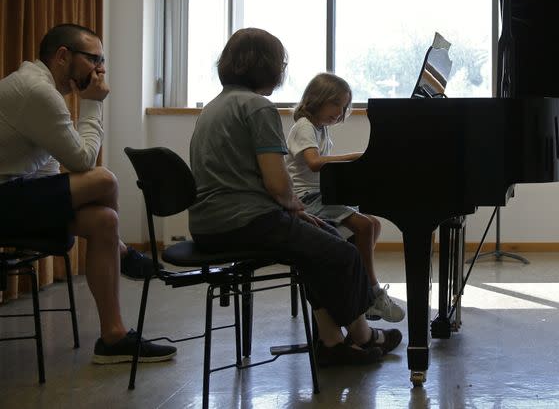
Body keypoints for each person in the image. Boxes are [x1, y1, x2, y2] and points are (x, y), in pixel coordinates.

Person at [188, 27, 401, 367]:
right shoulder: (258, 107)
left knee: (319, 246)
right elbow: (277, 182)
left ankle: (332, 343)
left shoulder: (214, 106)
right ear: (267, 66)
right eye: (280, 62)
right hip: (245, 221)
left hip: (208, 223)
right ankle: (362, 335)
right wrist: (295, 209)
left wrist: (293, 211)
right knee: (342, 252)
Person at [0, 23, 176, 364]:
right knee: (105, 180)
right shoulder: (36, 91)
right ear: (63, 56)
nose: (101, 69)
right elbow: (82, 160)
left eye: (103, 60)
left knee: (104, 221)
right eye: (94, 59)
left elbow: (49, 166)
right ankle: (123, 253)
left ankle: (113, 337)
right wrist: (94, 105)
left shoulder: (43, 90)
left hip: (15, 196)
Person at [286, 73, 405, 323]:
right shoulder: (304, 127)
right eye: (336, 104)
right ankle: (372, 293)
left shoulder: (321, 130)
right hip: (306, 200)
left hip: (321, 196)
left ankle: (359, 286)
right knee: (364, 226)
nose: (339, 113)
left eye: (344, 107)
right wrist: (355, 156)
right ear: (318, 99)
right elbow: (314, 163)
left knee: (374, 224)